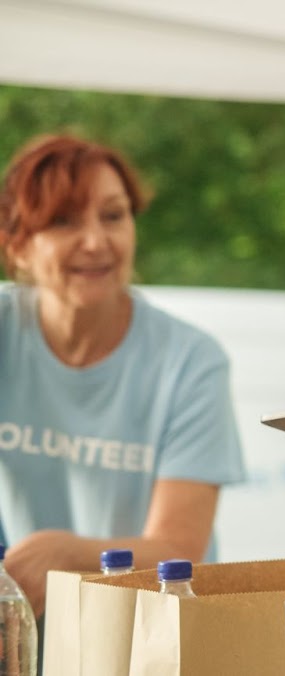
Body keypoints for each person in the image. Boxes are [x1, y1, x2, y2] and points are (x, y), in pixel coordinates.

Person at [0, 134, 247, 617]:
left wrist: (70, 557)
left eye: (113, 216)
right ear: (19, 245)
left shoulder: (190, 361)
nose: (95, 241)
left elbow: (180, 550)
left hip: (153, 643)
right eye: (64, 220)